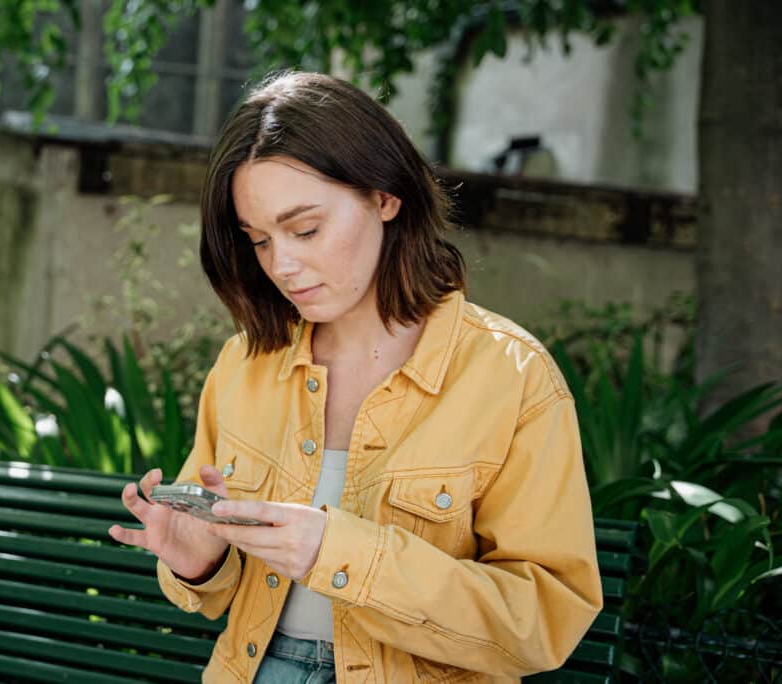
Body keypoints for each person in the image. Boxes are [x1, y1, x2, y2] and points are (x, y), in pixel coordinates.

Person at [109, 71, 602, 683]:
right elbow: (212, 586)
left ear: (384, 197)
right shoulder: (246, 364)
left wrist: (339, 555)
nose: (282, 266)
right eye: (259, 241)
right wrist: (198, 564)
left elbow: (545, 619)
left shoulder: (512, 376)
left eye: (306, 229)